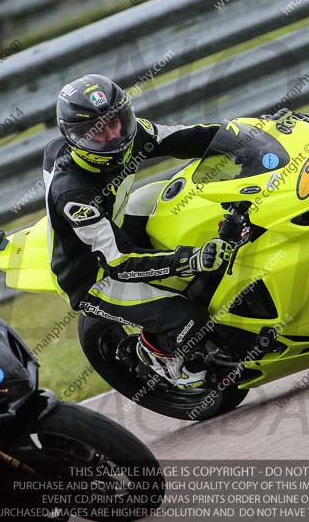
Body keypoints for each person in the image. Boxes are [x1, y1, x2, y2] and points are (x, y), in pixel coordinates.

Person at [45, 74, 233, 389]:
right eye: (98, 131)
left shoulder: (131, 134)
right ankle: (157, 356)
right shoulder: (73, 194)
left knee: (180, 196)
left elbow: (191, 137)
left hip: (113, 224)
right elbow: (117, 261)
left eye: (115, 121)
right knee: (191, 320)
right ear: (75, 137)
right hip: (95, 274)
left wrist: (256, 132)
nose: (113, 134)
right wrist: (190, 259)